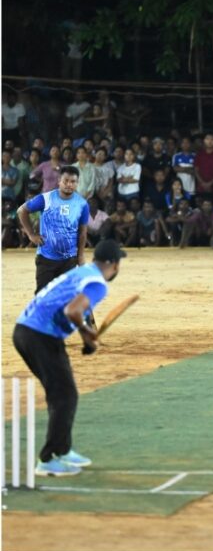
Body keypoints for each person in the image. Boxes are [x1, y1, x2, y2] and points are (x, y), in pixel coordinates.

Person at [13, 238, 127, 477]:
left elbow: (69, 308)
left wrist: (86, 336)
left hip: (27, 330)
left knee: (61, 394)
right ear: (114, 265)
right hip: (40, 335)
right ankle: (47, 459)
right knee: (65, 396)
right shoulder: (97, 284)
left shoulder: (82, 272)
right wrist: (87, 334)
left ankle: (63, 450)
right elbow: (73, 311)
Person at [18, 166, 90, 293]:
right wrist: (31, 234)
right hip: (46, 258)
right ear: (59, 181)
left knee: (73, 298)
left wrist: (81, 256)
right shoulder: (45, 199)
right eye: (66, 181)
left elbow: (83, 233)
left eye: (73, 182)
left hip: (69, 259)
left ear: (77, 183)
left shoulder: (82, 204)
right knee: (43, 297)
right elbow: (22, 211)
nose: (69, 184)